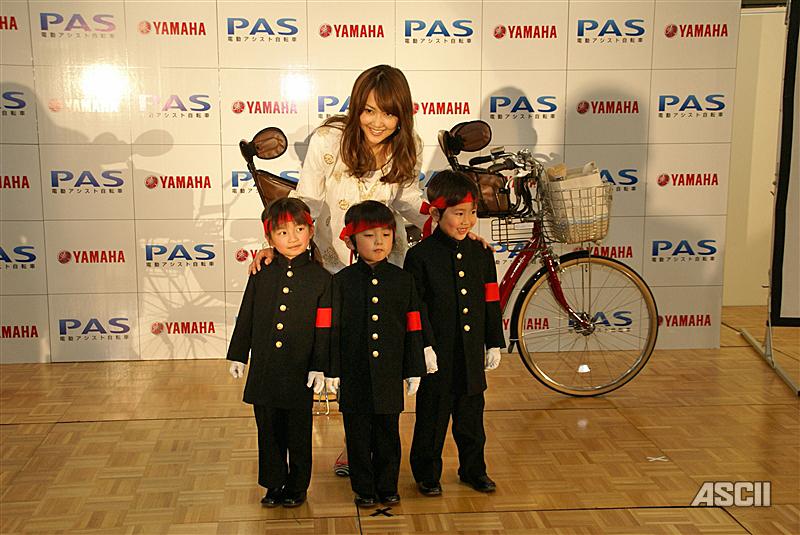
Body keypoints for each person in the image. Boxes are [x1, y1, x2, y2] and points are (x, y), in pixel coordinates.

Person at [404, 170, 506, 497]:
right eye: (458, 213)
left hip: (470, 352)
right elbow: (416, 307)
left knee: (471, 419)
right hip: (437, 354)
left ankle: (474, 470)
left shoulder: (481, 253)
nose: (467, 221)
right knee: (432, 418)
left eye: (472, 212)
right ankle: (427, 474)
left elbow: (491, 300)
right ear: (436, 214)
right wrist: (424, 346)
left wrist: (493, 342)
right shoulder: (419, 256)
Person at [227, 198, 331, 508]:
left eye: (299, 229)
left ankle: (297, 485)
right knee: (268, 431)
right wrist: (238, 354)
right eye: (282, 232)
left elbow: (324, 327)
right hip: (266, 369)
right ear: (269, 237)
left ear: (311, 231)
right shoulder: (262, 272)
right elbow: (247, 314)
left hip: (300, 370)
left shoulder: (321, 278)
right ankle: (273, 483)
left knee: (298, 432)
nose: (293, 238)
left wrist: (320, 365)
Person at [327, 201, 428, 507]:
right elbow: (333, 331)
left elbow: (413, 326)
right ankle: (364, 488)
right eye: (369, 235)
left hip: (389, 372)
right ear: (351, 241)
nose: (379, 242)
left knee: (388, 432)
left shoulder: (402, 280)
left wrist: (414, 368)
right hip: (354, 371)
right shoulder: (341, 282)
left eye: (385, 234)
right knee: (357, 434)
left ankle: (387, 485)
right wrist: (332, 370)